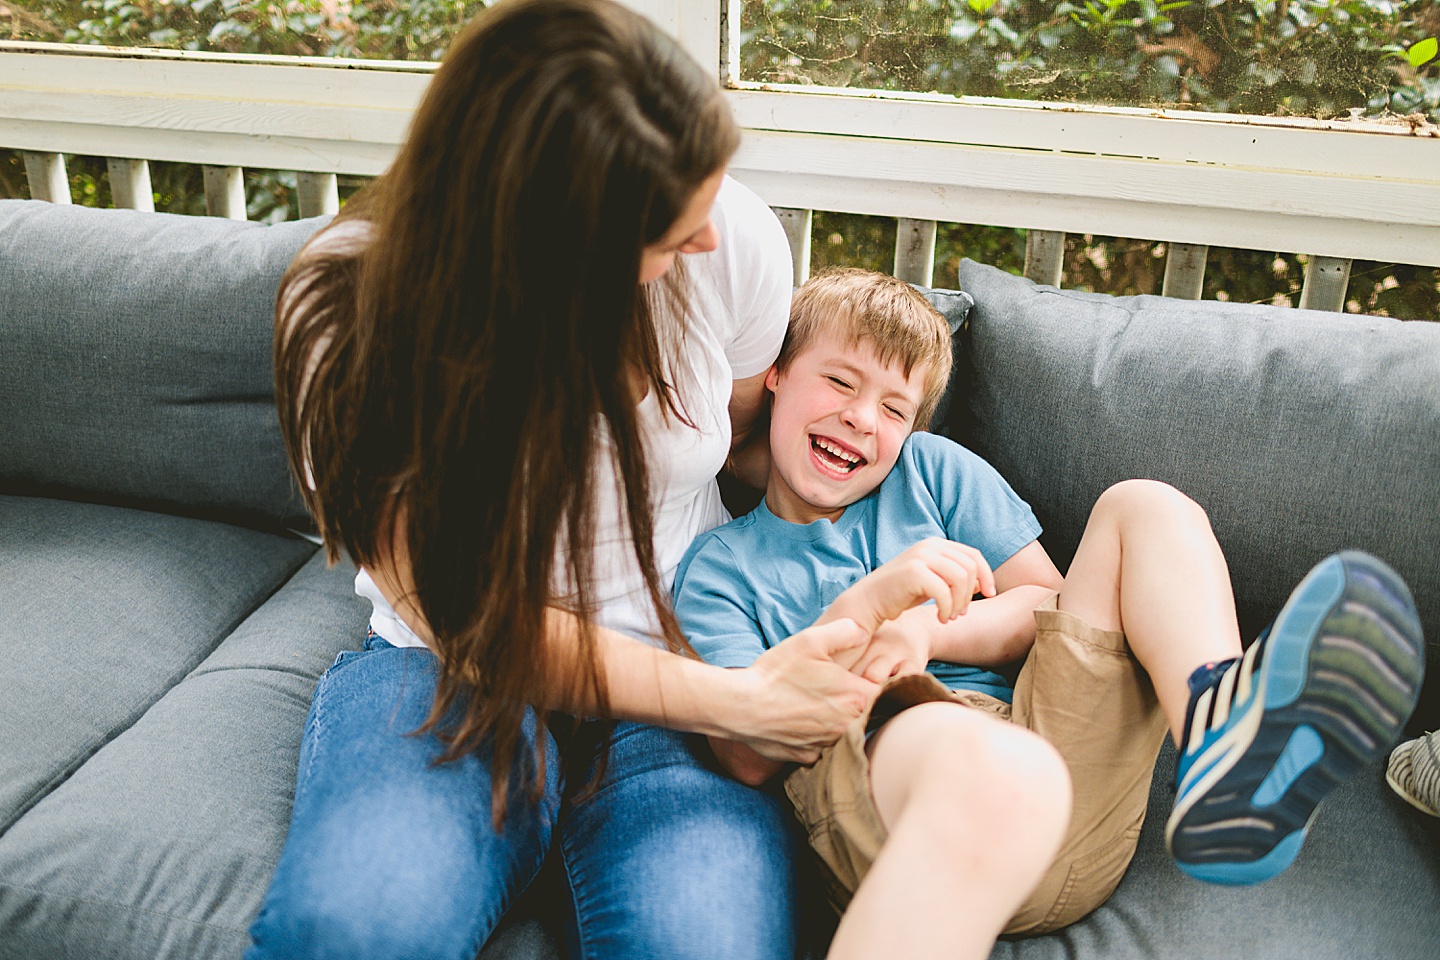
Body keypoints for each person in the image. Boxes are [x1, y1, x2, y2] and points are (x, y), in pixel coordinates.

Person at [246, 3, 881, 958]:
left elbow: (747, 435)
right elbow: (471, 619)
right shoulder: (351, 308)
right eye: (672, 226)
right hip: (451, 672)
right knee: (353, 933)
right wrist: (744, 703)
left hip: (682, 641)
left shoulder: (731, 238)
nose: (707, 239)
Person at [672, 267, 1427, 960]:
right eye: (839, 381)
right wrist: (870, 611)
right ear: (773, 376)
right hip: (911, 802)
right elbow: (745, 749)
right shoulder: (721, 566)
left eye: (894, 407)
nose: (863, 418)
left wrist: (926, 627)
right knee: (959, 744)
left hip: (1068, 787)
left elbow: (1043, 600)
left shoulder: (931, 473)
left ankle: (1219, 733)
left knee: (1144, 506)